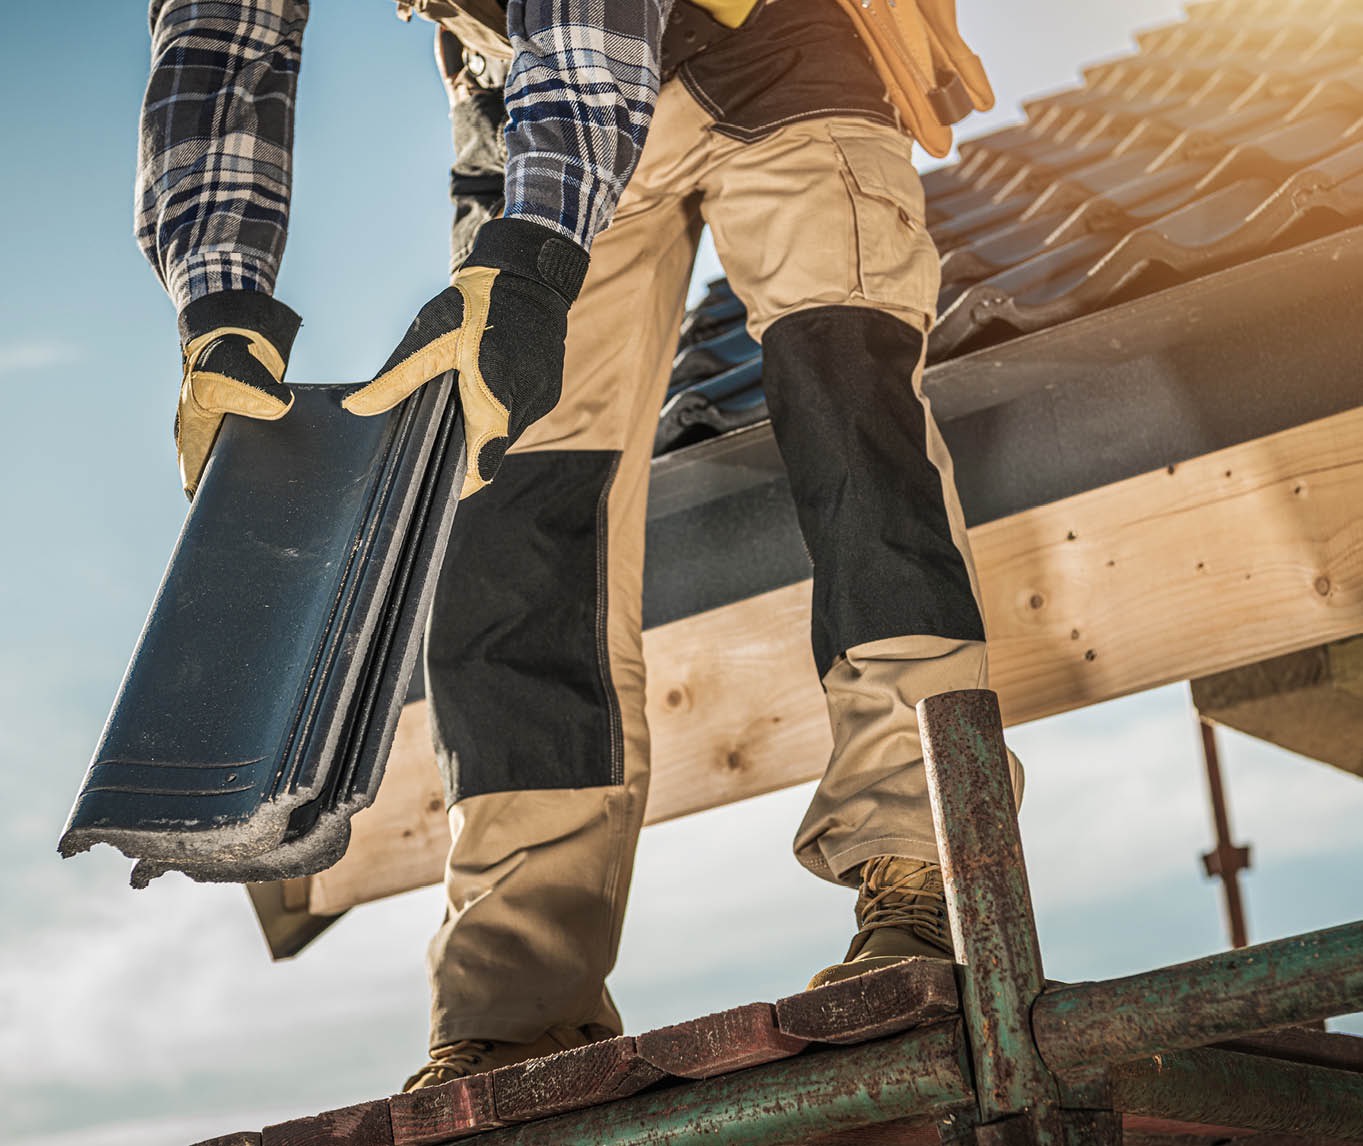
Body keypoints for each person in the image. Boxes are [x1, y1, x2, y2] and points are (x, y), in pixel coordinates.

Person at [133, 0, 1014, 1093]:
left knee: (849, 414)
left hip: (781, 46)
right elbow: (222, 48)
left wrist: (536, 262)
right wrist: (219, 308)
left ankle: (921, 869)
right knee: (511, 513)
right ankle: (517, 1002)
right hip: (522, 95)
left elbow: (589, 28)